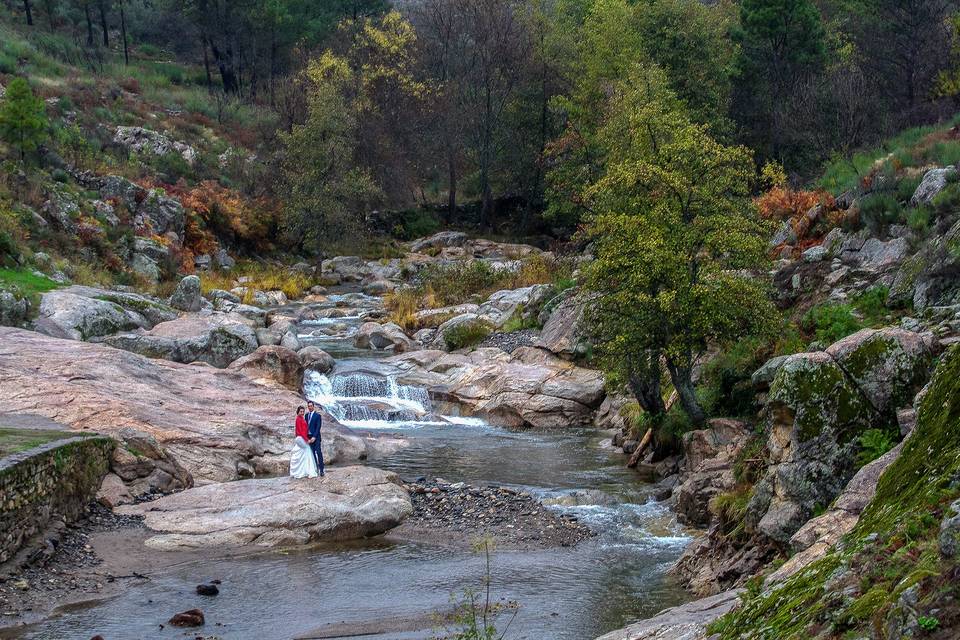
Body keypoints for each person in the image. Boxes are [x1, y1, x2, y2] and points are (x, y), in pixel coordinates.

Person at [290, 406, 318, 479]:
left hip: (300, 438)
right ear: (298, 412)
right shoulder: (298, 419)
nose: (302, 413)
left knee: (302, 453)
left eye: (303, 411)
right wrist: (307, 440)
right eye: (300, 411)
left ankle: (302, 471)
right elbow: (301, 431)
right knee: (307, 451)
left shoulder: (301, 418)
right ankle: (308, 471)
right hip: (300, 438)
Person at [305, 400, 325, 476]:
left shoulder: (318, 416)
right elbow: (305, 426)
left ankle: (322, 470)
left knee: (319, 453)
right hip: (309, 437)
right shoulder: (306, 416)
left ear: (313, 406)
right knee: (312, 454)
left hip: (316, 437)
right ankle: (315, 469)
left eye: (311, 406)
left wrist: (314, 437)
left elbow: (318, 427)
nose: (310, 407)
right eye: (308, 406)